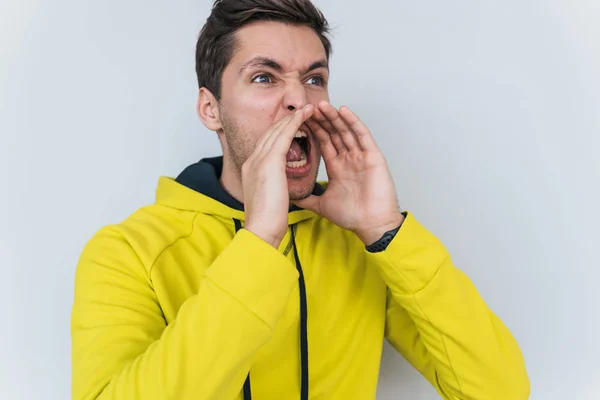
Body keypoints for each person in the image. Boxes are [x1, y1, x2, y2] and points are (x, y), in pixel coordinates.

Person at [71, 0, 529, 399]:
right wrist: (258, 242)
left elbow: (498, 391)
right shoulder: (126, 253)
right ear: (211, 109)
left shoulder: (360, 243)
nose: (298, 100)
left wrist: (386, 232)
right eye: (264, 77)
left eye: (314, 78)